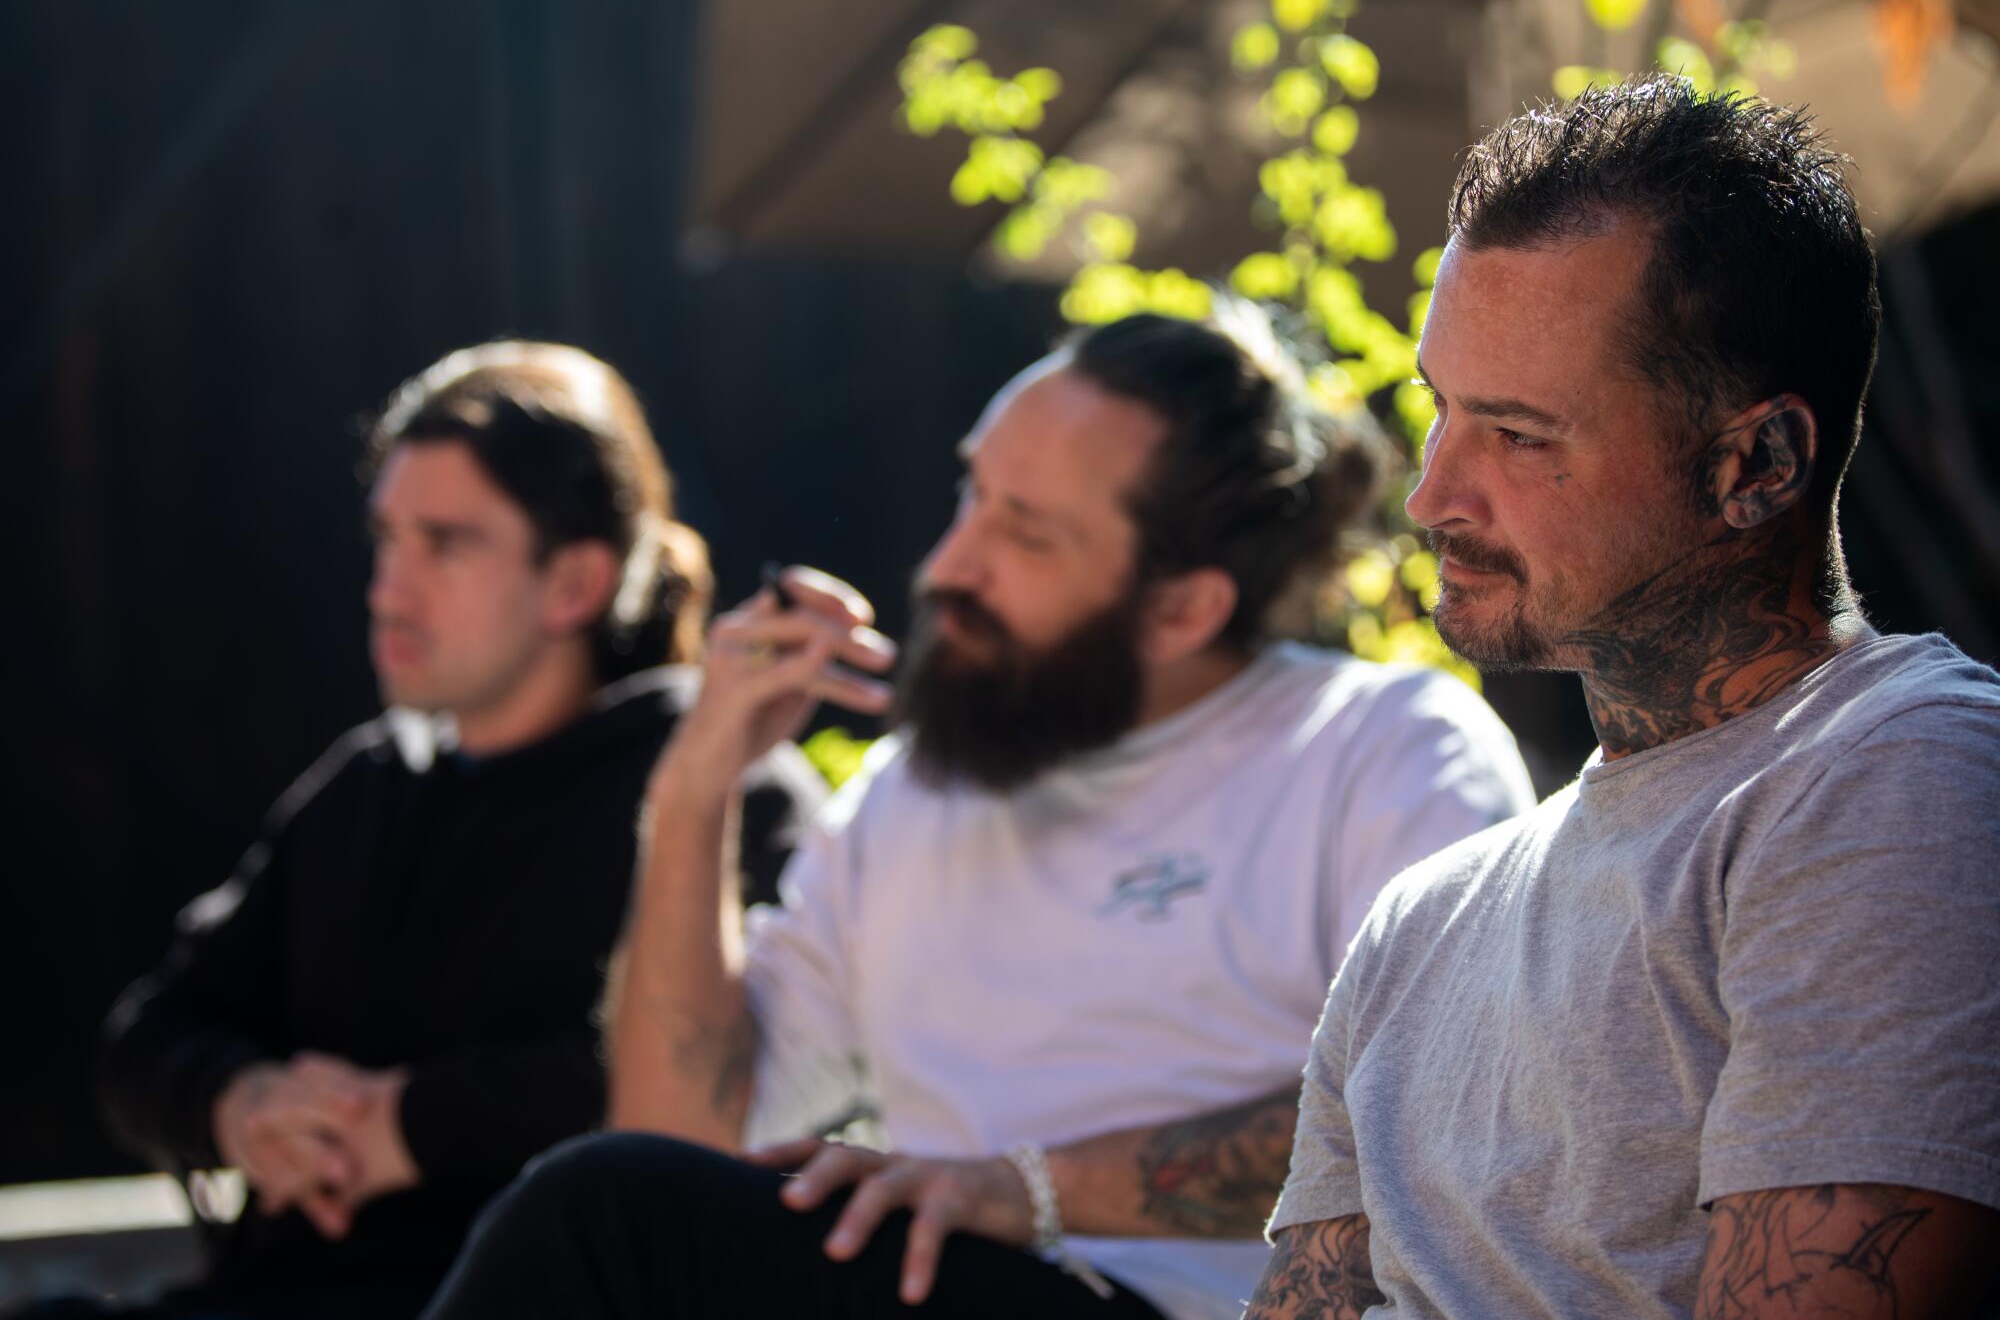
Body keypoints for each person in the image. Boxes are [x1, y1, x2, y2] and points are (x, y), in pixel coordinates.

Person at [418, 303, 1536, 1320]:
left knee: (597, 1216)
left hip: (1203, 1308)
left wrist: (1028, 1190)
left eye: (1026, 534)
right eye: (973, 494)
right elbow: (679, 1132)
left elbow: (1430, 1125)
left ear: (1182, 606)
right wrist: (691, 785)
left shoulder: (1381, 747)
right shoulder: (911, 794)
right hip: (926, 1287)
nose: (951, 562)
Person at [1251, 79, 2000, 1320]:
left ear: (1752, 465)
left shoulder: (1895, 776)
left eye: (1518, 435)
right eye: (1440, 409)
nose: (1430, 494)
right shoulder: (1419, 920)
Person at [86, 343, 824, 1319]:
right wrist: (243, 1103)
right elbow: (150, 1033)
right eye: (386, 539)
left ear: (573, 583)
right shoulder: (368, 787)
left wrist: (411, 1125)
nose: (388, 587)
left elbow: (730, 1081)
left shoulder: (721, 786)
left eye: (444, 544)